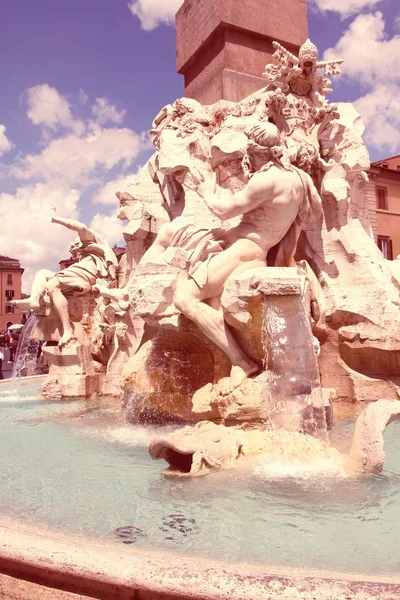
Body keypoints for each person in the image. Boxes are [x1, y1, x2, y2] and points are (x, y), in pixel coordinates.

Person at [140, 122, 322, 390]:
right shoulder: (298, 179)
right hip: (249, 245)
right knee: (191, 241)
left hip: (244, 251)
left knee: (185, 298)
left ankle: (241, 361)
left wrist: (204, 191)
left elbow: (224, 210)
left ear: (256, 150)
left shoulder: (266, 179)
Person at [12, 206, 118, 347]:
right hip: (74, 277)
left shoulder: (92, 246)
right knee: (42, 273)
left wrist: (57, 219)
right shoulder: (82, 259)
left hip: (84, 278)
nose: (73, 249)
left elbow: (81, 227)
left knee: (51, 285)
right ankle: (34, 299)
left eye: (75, 246)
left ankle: (67, 331)